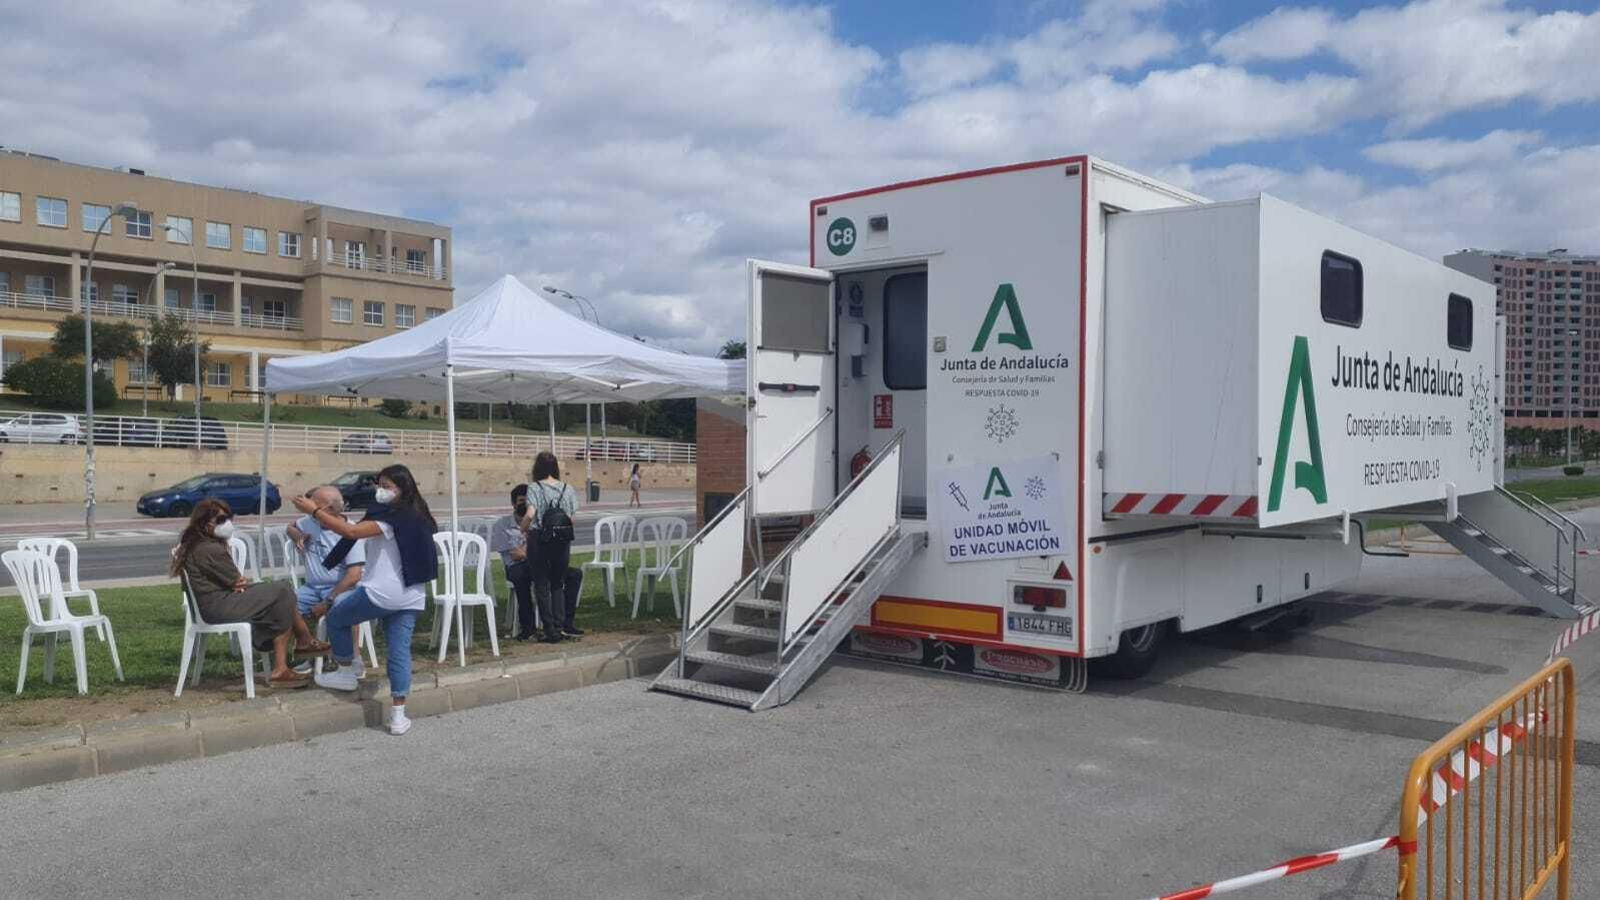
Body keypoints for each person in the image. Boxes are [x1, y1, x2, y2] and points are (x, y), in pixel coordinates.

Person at [295, 464, 438, 736]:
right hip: (411, 594)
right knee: (398, 651)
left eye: (386, 486)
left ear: (402, 488)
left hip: (382, 591)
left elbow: (350, 532)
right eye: (378, 484)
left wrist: (314, 511)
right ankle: (398, 716)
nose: (380, 491)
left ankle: (348, 669)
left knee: (336, 616)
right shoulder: (417, 514)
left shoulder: (392, 517)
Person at [171, 498, 328, 688]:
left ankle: (285, 663)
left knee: (281, 596)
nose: (227, 523)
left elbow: (234, 582)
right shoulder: (209, 549)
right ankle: (301, 641)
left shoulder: (198, 543)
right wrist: (236, 582)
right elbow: (237, 580)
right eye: (220, 520)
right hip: (219, 606)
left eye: (228, 518)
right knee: (282, 589)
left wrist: (236, 583)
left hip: (217, 602)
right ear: (204, 523)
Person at [285, 485, 366, 676]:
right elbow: (291, 527)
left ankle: (354, 658)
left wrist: (327, 601)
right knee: (284, 605)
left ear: (327, 509)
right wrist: (297, 535)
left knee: (345, 605)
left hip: (341, 588)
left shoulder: (350, 532)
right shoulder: (309, 522)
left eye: (313, 504)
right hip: (312, 588)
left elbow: (354, 576)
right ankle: (311, 653)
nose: (308, 506)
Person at [521, 451, 580, 643]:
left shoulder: (535, 488)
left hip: (540, 539)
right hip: (562, 541)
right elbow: (571, 518)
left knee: (542, 583)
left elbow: (530, 514)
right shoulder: (568, 489)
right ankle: (560, 624)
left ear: (536, 468)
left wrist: (524, 529)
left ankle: (549, 629)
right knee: (558, 582)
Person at [490, 484, 537, 641]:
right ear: (513, 503)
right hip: (515, 567)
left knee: (572, 574)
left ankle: (561, 623)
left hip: (536, 564)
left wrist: (525, 550)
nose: (525, 504)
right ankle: (528, 628)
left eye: (528, 501)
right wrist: (530, 545)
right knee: (521, 577)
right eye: (521, 500)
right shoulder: (501, 525)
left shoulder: (537, 521)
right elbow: (515, 556)